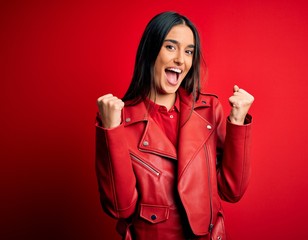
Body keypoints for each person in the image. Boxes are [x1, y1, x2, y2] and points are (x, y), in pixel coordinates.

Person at [95, 11, 254, 240]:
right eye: (171, 47)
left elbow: (232, 190)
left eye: (189, 51)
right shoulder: (119, 119)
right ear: (151, 51)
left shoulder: (209, 110)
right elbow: (120, 207)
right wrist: (111, 131)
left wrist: (238, 123)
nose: (181, 59)